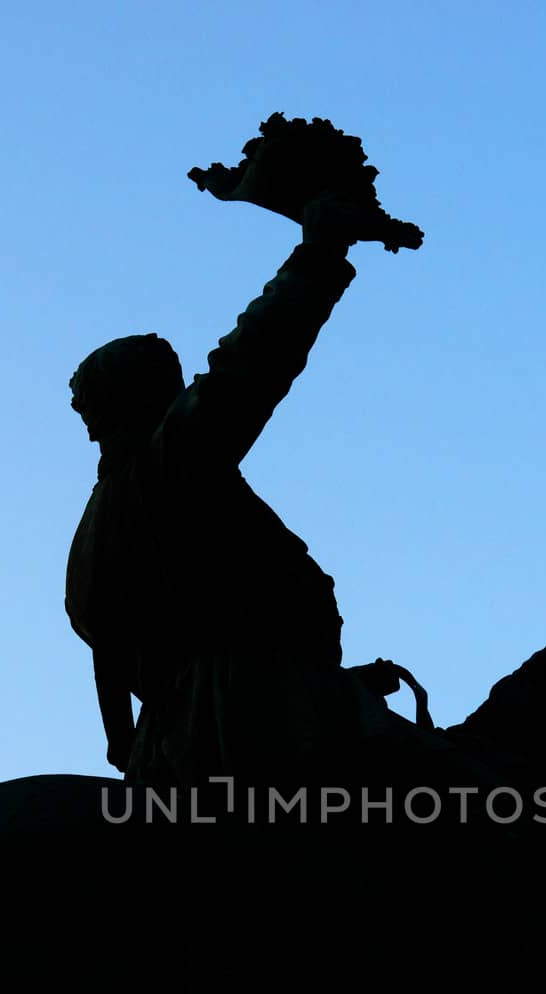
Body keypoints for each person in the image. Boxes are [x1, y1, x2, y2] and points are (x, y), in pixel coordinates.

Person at [65, 195, 393, 786]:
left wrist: (130, 744)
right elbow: (255, 360)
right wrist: (319, 253)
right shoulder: (172, 461)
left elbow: (108, 660)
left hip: (181, 738)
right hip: (256, 717)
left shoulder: (97, 523)